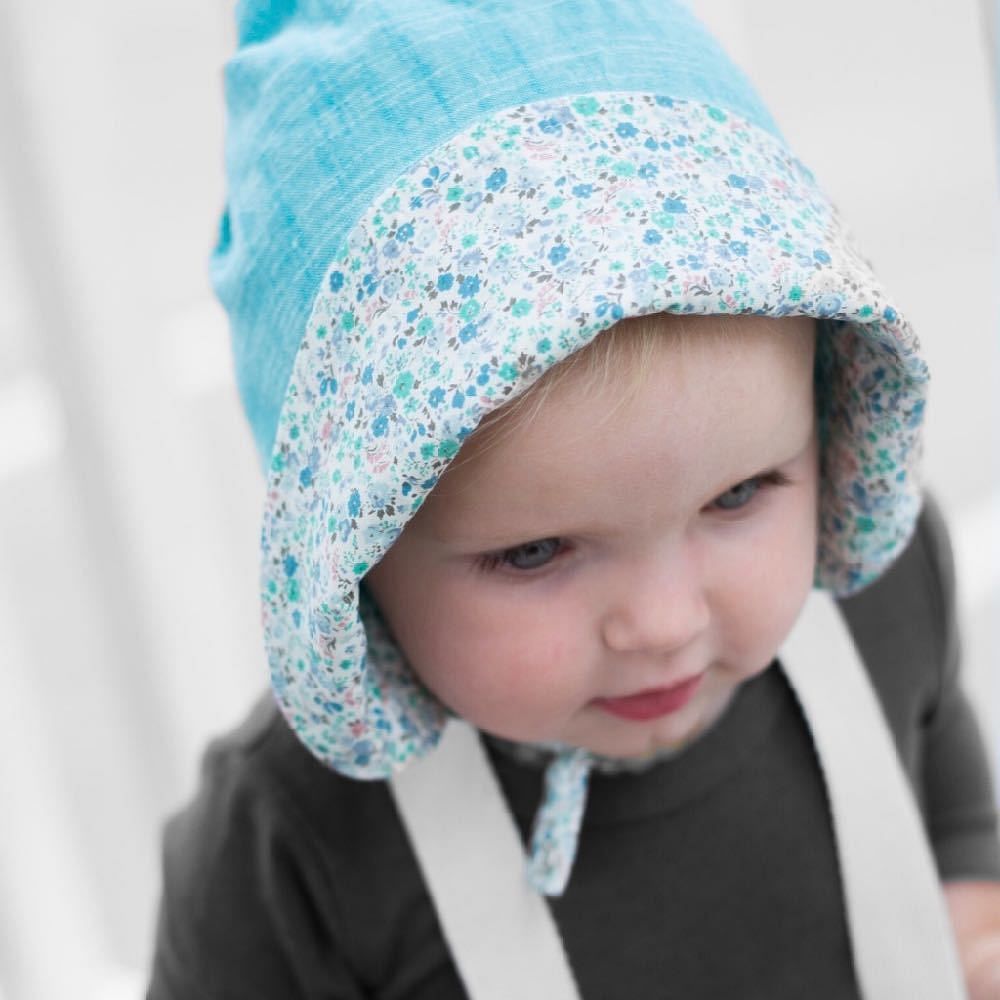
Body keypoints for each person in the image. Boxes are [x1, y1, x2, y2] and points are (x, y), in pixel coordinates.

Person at [148, 1, 1000, 997]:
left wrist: (971, 931)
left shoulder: (879, 602)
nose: (663, 622)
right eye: (534, 552)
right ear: (356, 556)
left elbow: (949, 822)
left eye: (736, 494)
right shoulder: (288, 856)